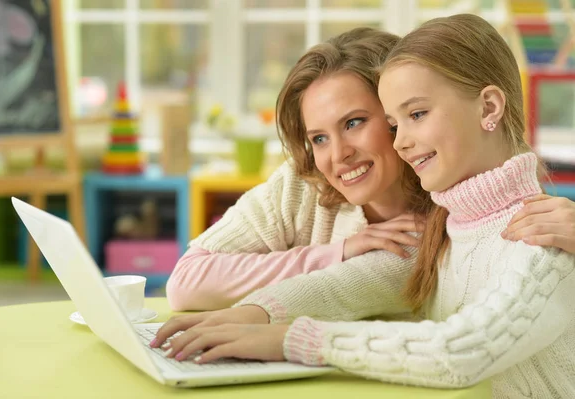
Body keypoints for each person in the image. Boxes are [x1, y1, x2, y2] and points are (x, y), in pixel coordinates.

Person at [153, 14, 575, 397]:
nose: (401, 141)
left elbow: (461, 351)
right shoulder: (447, 227)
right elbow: (349, 283)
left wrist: (290, 339)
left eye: (418, 114)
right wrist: (251, 316)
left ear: (488, 107)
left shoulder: (539, 235)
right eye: (395, 124)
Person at [166, 28, 431, 311]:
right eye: (319, 138)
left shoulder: (449, 191)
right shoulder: (301, 184)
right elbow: (186, 281)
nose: (339, 154)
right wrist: (337, 253)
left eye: (353, 123)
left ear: (397, 115)